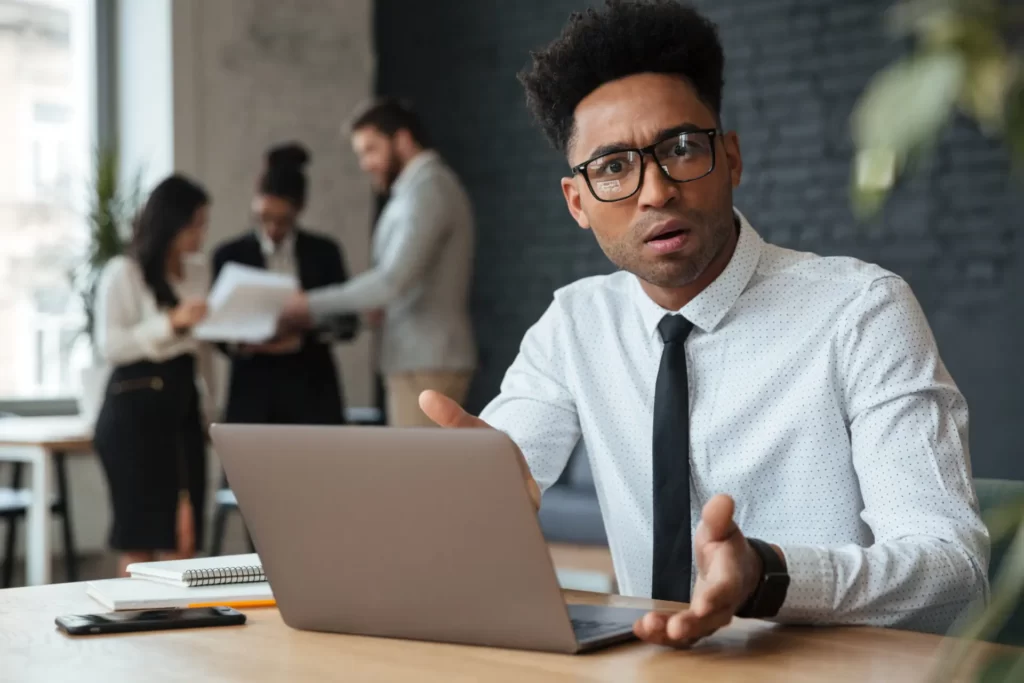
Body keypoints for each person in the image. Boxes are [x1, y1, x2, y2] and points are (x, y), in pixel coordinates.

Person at [417, 0, 989, 647]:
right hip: (647, 664)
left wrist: (771, 574)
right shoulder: (575, 322)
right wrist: (478, 494)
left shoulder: (862, 311)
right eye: (613, 167)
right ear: (577, 203)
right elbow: (506, 465)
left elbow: (954, 566)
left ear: (732, 159)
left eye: (682, 148)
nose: (656, 190)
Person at [279, 99, 477, 427]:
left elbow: (391, 281)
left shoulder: (428, 189)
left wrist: (307, 304)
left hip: (426, 361)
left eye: (370, 149)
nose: (365, 163)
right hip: (418, 359)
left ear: (402, 140)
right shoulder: (417, 190)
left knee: (414, 477)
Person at [92, 174, 214, 576]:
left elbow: (203, 352)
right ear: (171, 222)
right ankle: (133, 631)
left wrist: (212, 407)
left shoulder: (197, 274)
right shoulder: (122, 273)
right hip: (133, 413)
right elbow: (111, 346)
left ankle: (182, 634)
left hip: (182, 407)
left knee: (185, 534)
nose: (200, 233)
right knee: (140, 537)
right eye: (194, 223)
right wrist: (171, 324)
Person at [213, 143, 357, 426]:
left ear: (299, 209)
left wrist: (304, 327)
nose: (273, 229)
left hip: (312, 390)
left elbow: (347, 322)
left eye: (283, 220)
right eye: (264, 218)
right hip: (252, 393)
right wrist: (246, 342)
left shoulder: (324, 251)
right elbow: (218, 332)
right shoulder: (230, 255)